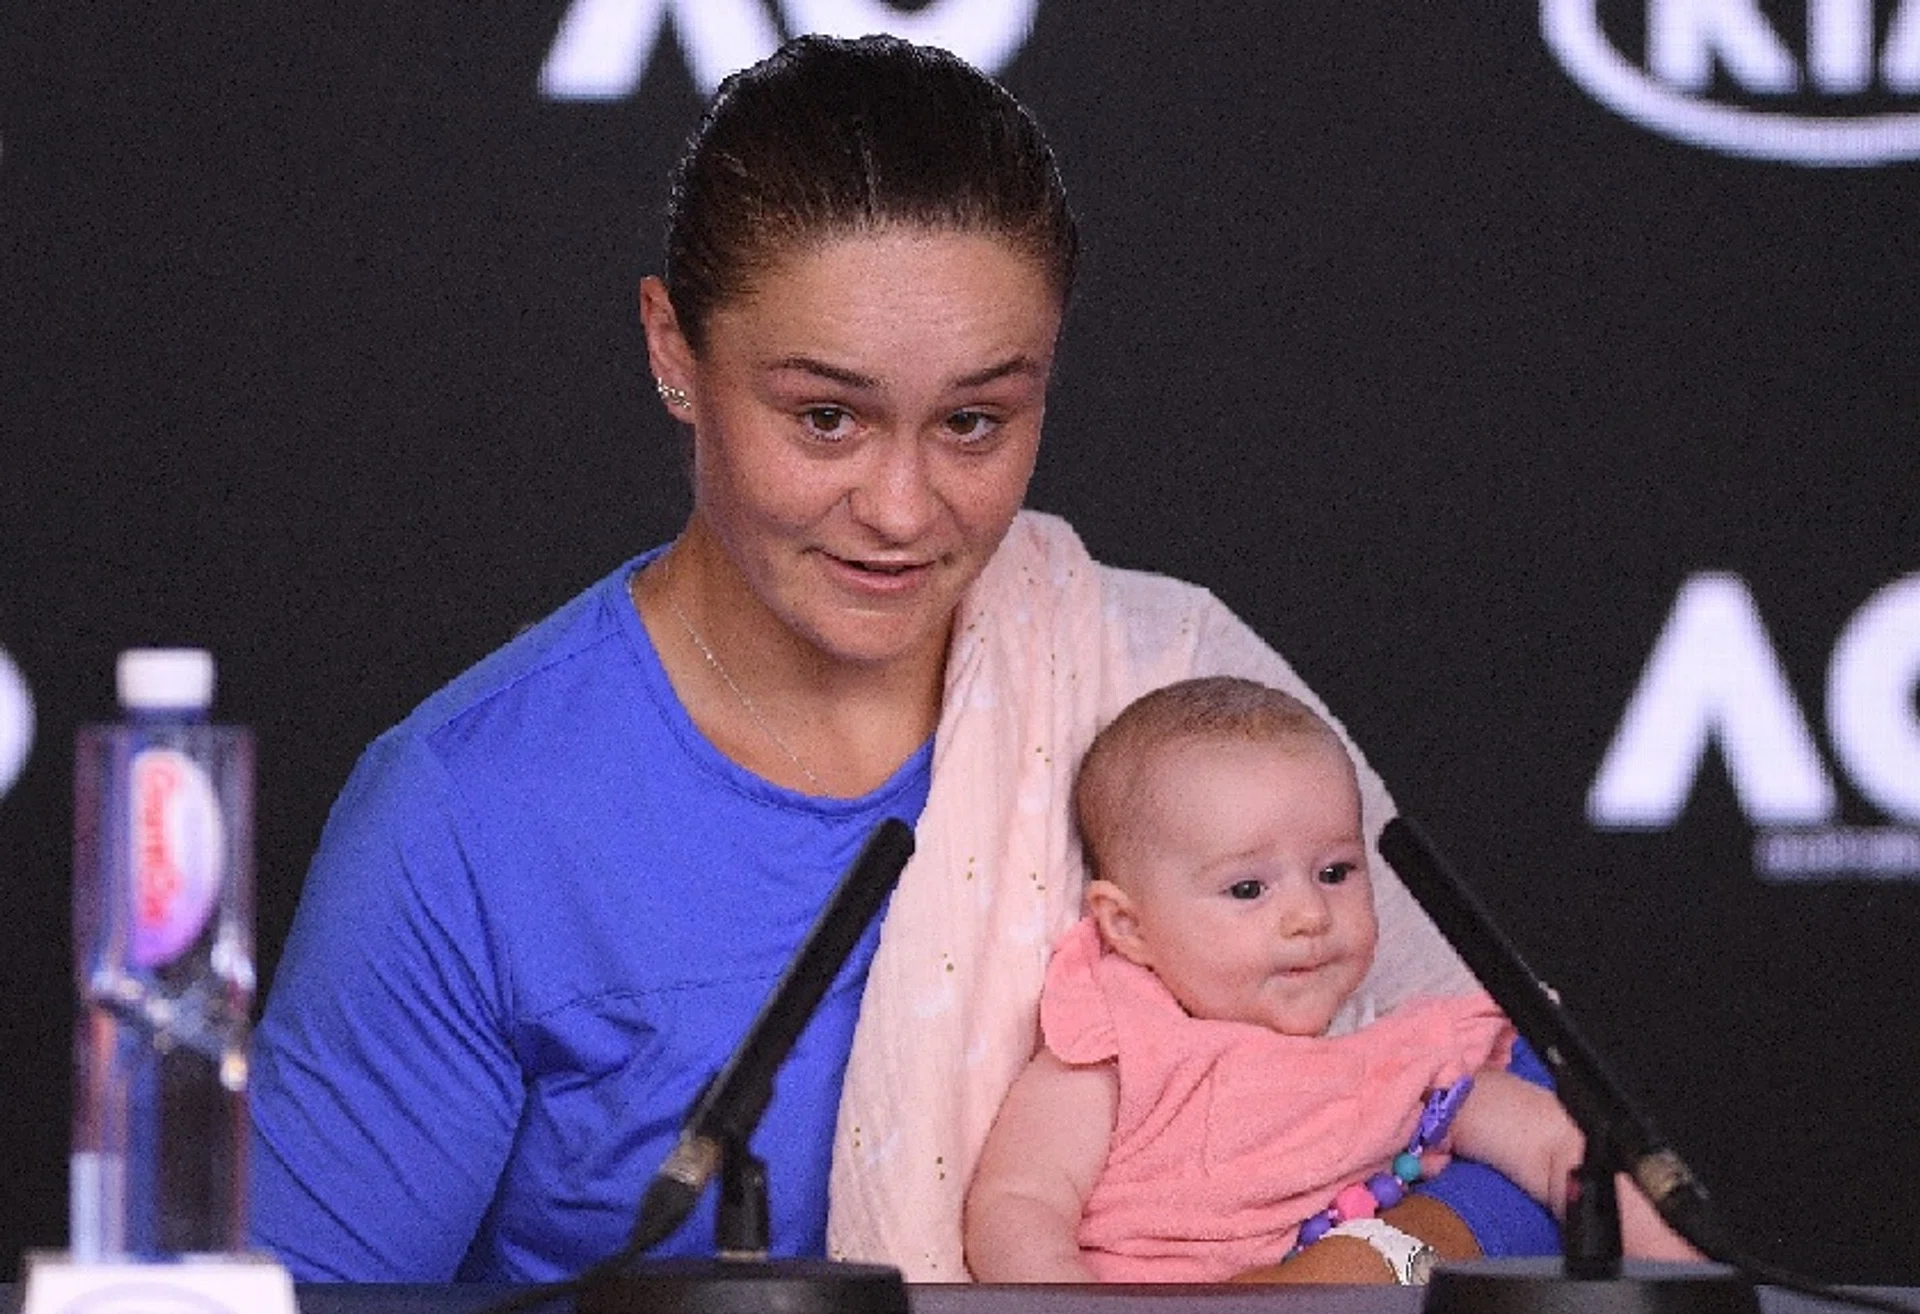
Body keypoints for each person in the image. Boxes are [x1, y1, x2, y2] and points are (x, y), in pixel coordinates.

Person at [248, 34, 1558, 1284]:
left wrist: (1345, 1272)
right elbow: (299, 1305)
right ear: (674, 352)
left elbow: (1536, 1117)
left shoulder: (1159, 681)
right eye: (827, 417)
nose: (902, 504)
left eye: (976, 421)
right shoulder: (469, 816)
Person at [963, 677, 1698, 1283]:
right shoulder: (1120, 1046)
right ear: (1127, 926)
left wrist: (1703, 1289)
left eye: (1336, 872)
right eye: (1248, 889)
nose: (1310, 914)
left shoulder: (1399, 1062)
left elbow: (1559, 1149)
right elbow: (1020, 1202)